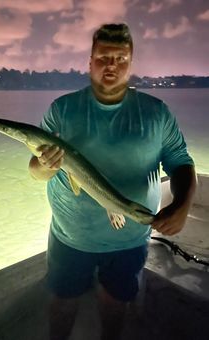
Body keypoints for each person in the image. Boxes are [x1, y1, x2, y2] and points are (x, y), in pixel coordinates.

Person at [28, 23, 196, 340]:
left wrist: (182, 205)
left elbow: (180, 162)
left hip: (131, 238)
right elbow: (36, 172)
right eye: (104, 58)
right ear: (90, 62)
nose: (111, 66)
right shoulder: (62, 109)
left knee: (115, 303)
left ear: (130, 64)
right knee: (63, 303)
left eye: (120, 59)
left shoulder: (156, 113)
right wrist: (45, 166)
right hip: (70, 236)